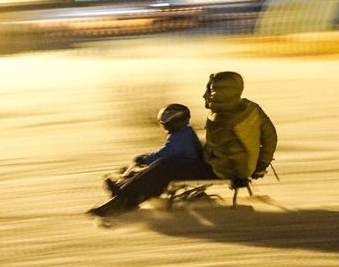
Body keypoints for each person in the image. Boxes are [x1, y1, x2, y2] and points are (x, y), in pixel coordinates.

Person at [88, 72, 277, 217]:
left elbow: (224, 148)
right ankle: (129, 191)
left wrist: (252, 168)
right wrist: (259, 165)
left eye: (210, 90)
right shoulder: (249, 109)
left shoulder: (222, 116)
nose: (206, 94)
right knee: (169, 164)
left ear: (222, 91)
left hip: (223, 169)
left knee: (167, 166)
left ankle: (125, 197)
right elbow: (270, 137)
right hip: (227, 165)